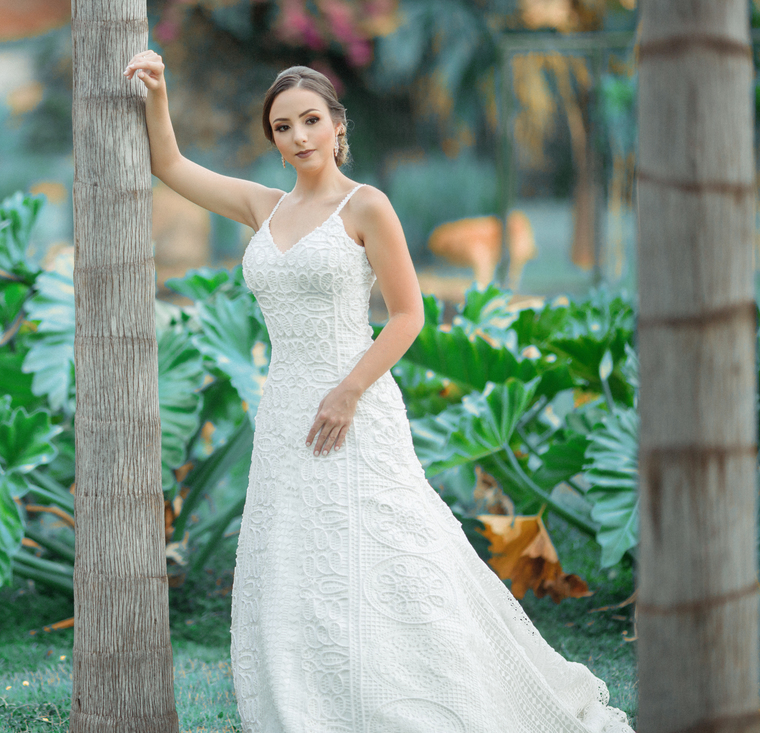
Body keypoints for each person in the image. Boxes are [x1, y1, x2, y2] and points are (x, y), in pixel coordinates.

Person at [123, 50, 634, 733]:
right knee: (297, 565)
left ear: (337, 125)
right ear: (272, 139)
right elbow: (172, 167)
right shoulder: (263, 207)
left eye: (311, 120)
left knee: (392, 552)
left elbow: (409, 314)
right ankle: (316, 710)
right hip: (285, 415)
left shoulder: (367, 206)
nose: (299, 136)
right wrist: (158, 91)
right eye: (283, 127)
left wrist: (348, 391)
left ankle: (435, 696)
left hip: (355, 407)